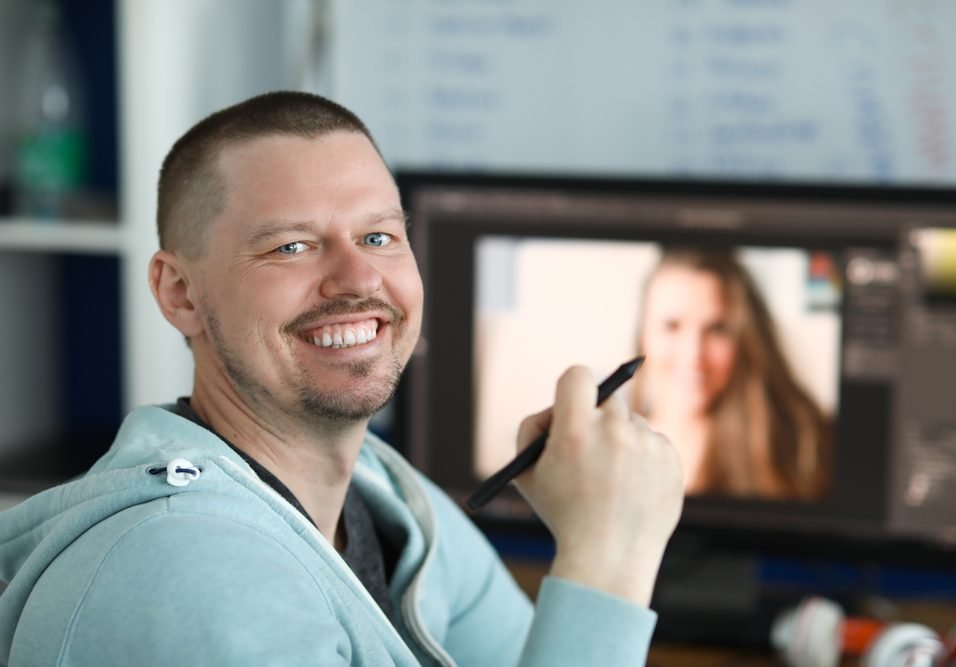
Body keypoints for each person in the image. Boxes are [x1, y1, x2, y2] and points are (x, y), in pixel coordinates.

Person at [0, 91, 684, 666]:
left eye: (380, 237)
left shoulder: (387, 501)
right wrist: (607, 554)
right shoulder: (186, 574)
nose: (359, 278)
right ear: (180, 292)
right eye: (291, 246)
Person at [631, 249, 831, 500]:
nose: (693, 354)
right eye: (672, 326)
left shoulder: (803, 442)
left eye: (716, 329)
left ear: (747, 340)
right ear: (643, 336)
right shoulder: (611, 451)